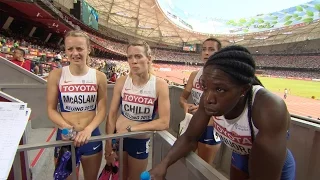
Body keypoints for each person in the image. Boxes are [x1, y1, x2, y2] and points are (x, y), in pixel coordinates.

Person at [150, 45, 296, 180]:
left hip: (273, 167)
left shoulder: (269, 109)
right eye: (205, 86)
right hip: (240, 156)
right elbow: (189, 137)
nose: (207, 98)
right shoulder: (209, 98)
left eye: (220, 89)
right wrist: (163, 165)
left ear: (243, 90)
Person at [105, 40, 170, 180]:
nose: (133, 61)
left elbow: (164, 122)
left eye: (138, 56)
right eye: (130, 57)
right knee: (120, 177)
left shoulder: (159, 85)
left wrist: (131, 129)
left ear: (149, 59)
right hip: (120, 139)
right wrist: (108, 144)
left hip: (139, 140)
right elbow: (111, 114)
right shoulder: (122, 81)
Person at [47, 30, 108, 179]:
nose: (75, 53)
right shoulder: (56, 75)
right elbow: (51, 109)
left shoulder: (99, 77)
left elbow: (102, 109)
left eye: (80, 48)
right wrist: (65, 126)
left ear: (88, 49)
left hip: (91, 136)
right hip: (66, 136)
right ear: (65, 50)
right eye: (70, 49)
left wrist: (88, 129)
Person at [179, 38, 222, 164]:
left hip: (210, 127)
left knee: (203, 169)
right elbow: (182, 98)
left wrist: (204, 110)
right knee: (186, 163)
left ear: (219, 53)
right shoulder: (194, 75)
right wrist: (185, 105)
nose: (207, 53)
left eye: (211, 49)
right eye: (204, 49)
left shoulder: (224, 78)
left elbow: (227, 109)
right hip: (193, 125)